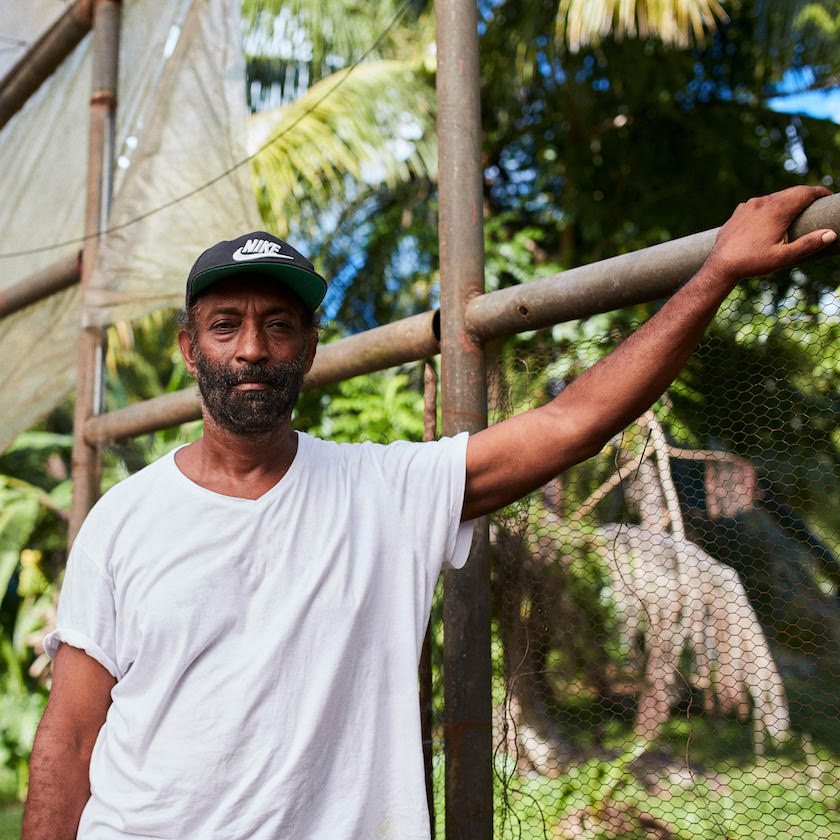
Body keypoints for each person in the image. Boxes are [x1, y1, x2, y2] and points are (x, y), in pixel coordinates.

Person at [22, 185, 837, 839]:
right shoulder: (125, 520)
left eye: (278, 325)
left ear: (309, 345)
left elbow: (572, 424)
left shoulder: (388, 491)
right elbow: (69, 737)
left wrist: (717, 272)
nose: (252, 349)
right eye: (225, 325)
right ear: (189, 347)